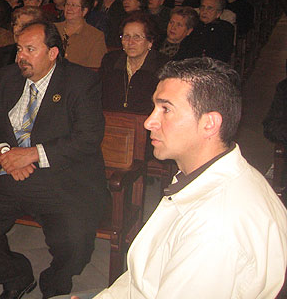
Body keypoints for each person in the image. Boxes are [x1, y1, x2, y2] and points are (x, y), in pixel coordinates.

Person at [95, 58, 287, 299]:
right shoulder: (207, 175)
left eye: (166, 109)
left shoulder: (215, 228)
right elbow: (144, 275)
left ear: (209, 124)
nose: (148, 121)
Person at [0, 20, 108, 299]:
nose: (20, 57)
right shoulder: (8, 77)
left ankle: (56, 283)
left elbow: (88, 137)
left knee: (75, 241)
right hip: (10, 173)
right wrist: (4, 155)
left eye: (29, 49)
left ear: (52, 53)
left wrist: (31, 154)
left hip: (59, 178)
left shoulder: (80, 81)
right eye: (18, 49)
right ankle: (15, 275)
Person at [100, 12, 167, 114]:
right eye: (126, 36)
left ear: (150, 42)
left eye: (137, 37)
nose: (130, 42)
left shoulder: (162, 65)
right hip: (111, 122)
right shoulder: (110, 61)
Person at [55, 0, 106, 68]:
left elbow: (95, 68)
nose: (69, 8)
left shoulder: (96, 36)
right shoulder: (53, 28)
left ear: (84, 11)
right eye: (67, 4)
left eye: (74, 5)